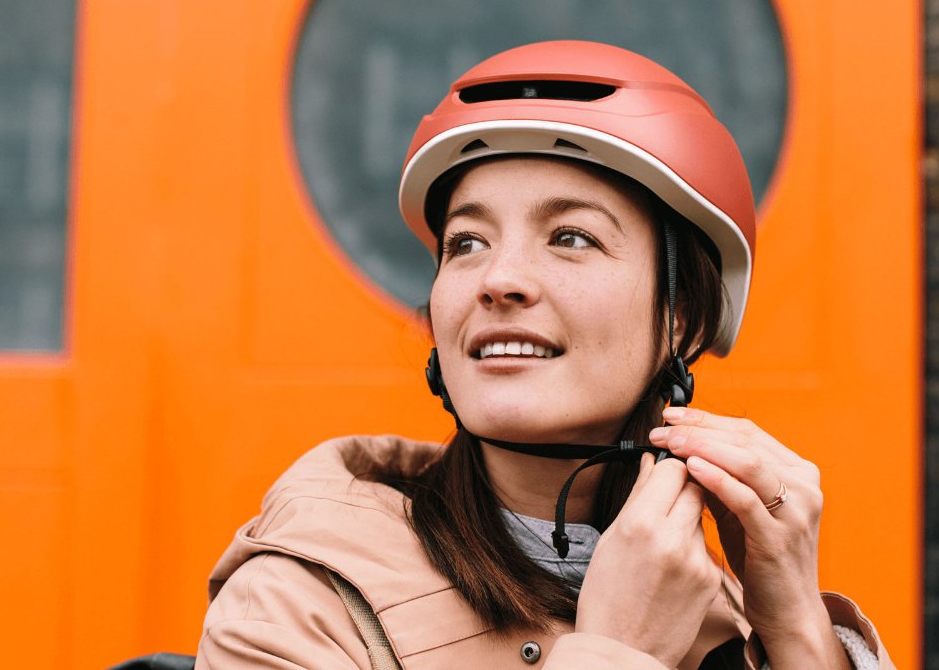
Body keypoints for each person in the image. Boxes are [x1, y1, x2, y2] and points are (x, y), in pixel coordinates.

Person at [196, 40, 894, 669]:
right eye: (465, 243)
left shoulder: (723, 613)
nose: (498, 280)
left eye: (570, 238)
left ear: (681, 319)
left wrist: (798, 630)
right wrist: (617, 653)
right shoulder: (296, 606)